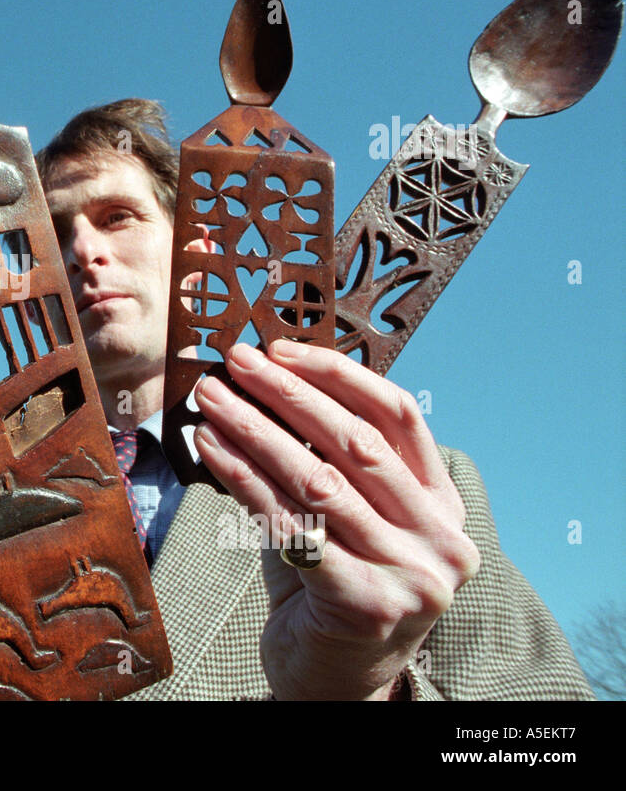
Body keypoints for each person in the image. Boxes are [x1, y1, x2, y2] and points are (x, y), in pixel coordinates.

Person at [35, 98, 593, 700]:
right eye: (50, 235)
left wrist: (366, 688)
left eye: (117, 216)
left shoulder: (401, 496)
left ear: (195, 260)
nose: (80, 251)